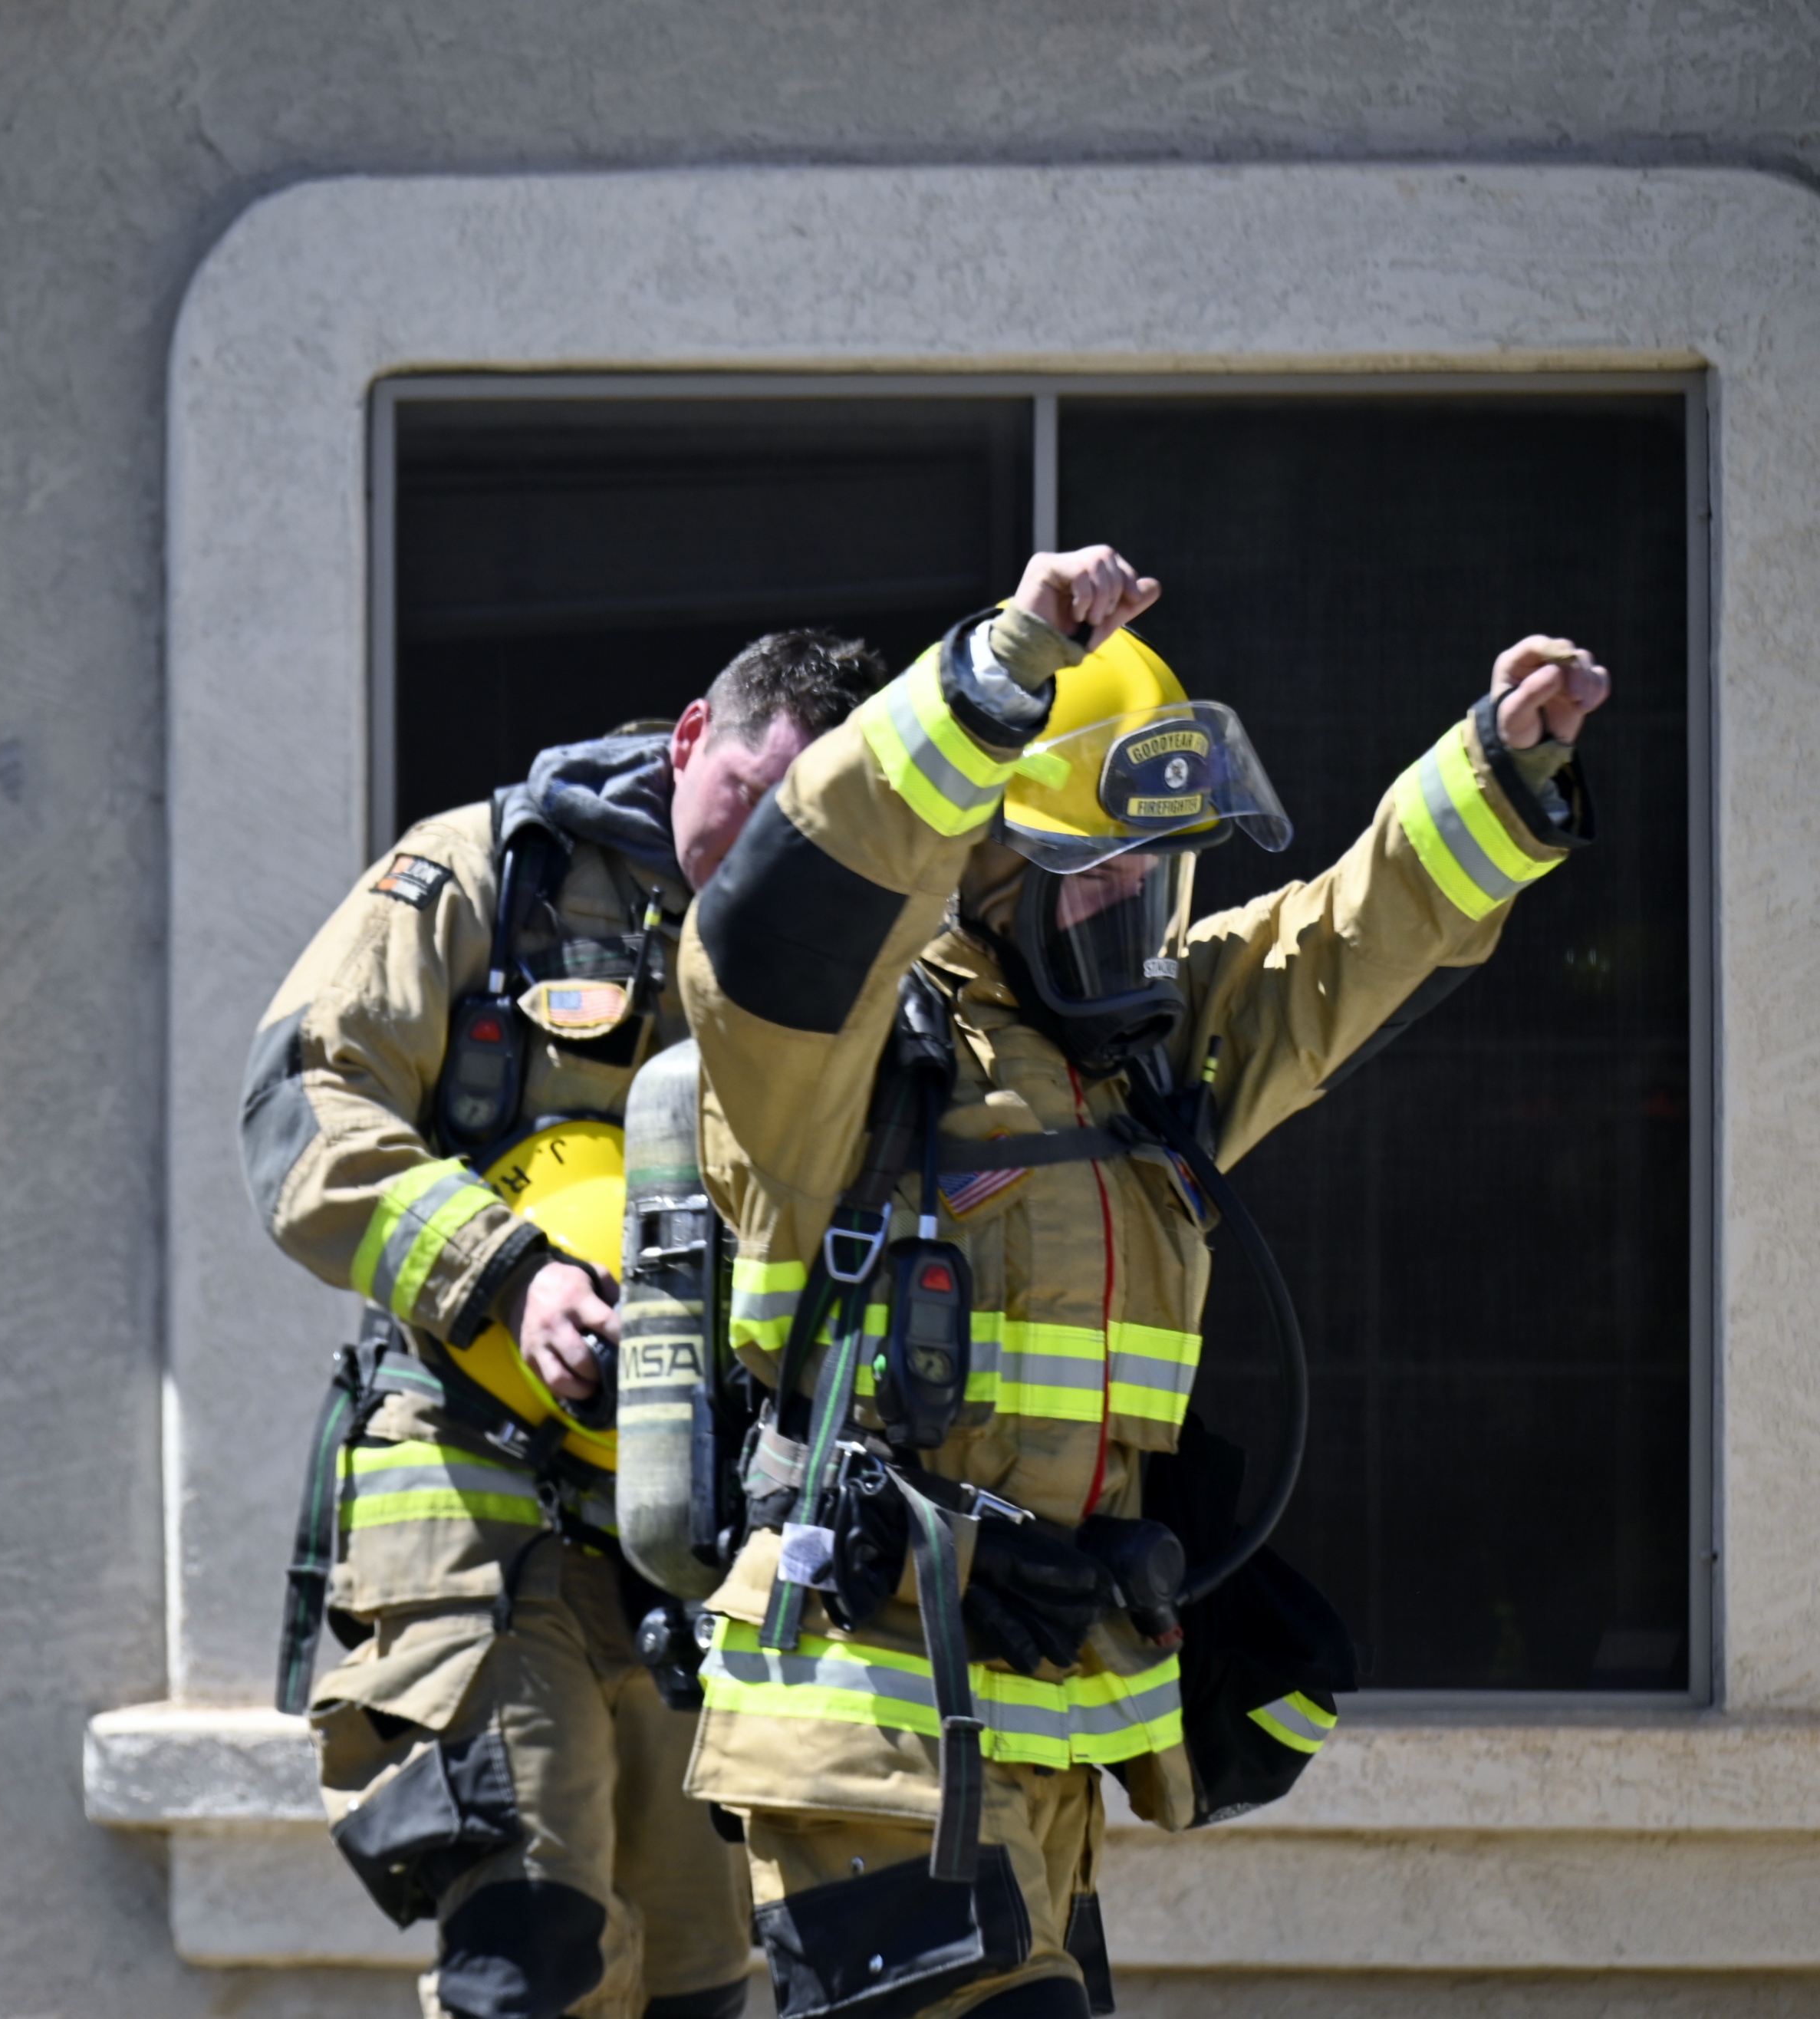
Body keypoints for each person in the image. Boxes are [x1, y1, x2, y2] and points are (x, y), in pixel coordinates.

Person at [673, 547, 1607, 2017]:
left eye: (1150, 869)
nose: (1128, 898)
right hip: (869, 1730)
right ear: (985, 865)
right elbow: (776, 919)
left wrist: (1496, 769)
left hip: (1042, 1725)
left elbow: (1339, 948)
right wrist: (992, 678)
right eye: (1088, 866)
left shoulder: (1140, 1062)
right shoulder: (839, 1057)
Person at [240, 631, 887, 2019]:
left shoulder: (841, 954)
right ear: (691, 737)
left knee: (702, 1978)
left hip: (701, 1538)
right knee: (533, 1951)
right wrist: (507, 1274)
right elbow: (304, 1106)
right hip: (476, 1505)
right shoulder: (485, 875)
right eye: (748, 798)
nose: (764, 847)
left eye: (804, 824)